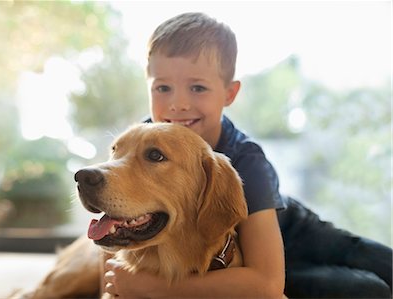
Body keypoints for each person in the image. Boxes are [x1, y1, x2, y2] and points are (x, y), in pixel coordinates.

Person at [103, 12, 392, 298]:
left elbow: (266, 283)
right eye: (163, 88)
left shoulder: (246, 159)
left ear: (229, 93)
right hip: (248, 256)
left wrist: (152, 288)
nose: (178, 104)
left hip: (286, 228)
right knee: (369, 290)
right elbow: (112, 234)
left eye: (198, 87)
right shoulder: (138, 141)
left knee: (385, 265)